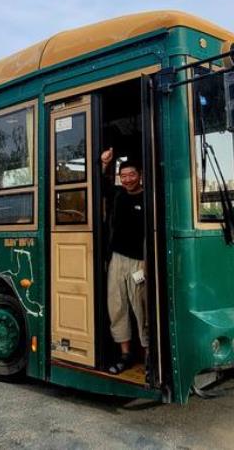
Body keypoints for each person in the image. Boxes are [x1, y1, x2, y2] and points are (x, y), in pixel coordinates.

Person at [101, 147, 148, 374]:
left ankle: (150, 357)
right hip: (117, 259)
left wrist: (149, 261)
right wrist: (104, 164)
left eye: (132, 175)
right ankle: (125, 355)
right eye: (124, 176)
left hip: (140, 262)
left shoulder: (149, 198)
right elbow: (101, 187)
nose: (128, 179)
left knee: (142, 309)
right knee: (117, 307)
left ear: (140, 175)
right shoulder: (118, 195)